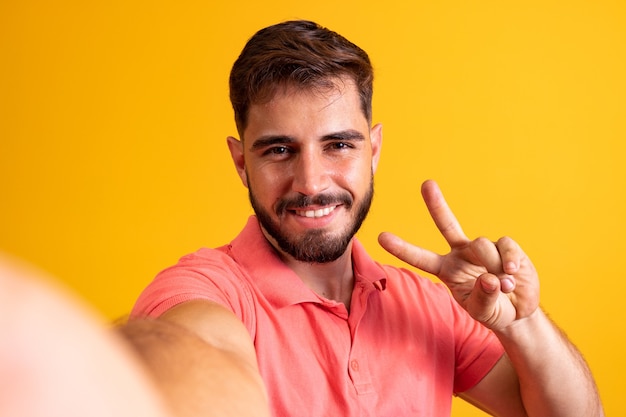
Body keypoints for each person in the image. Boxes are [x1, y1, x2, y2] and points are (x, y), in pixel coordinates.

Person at [124, 20, 604, 416]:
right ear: (239, 163)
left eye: (338, 145)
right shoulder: (203, 292)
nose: (311, 182)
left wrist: (519, 322)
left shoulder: (428, 305)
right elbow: (191, 358)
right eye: (278, 150)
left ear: (372, 151)